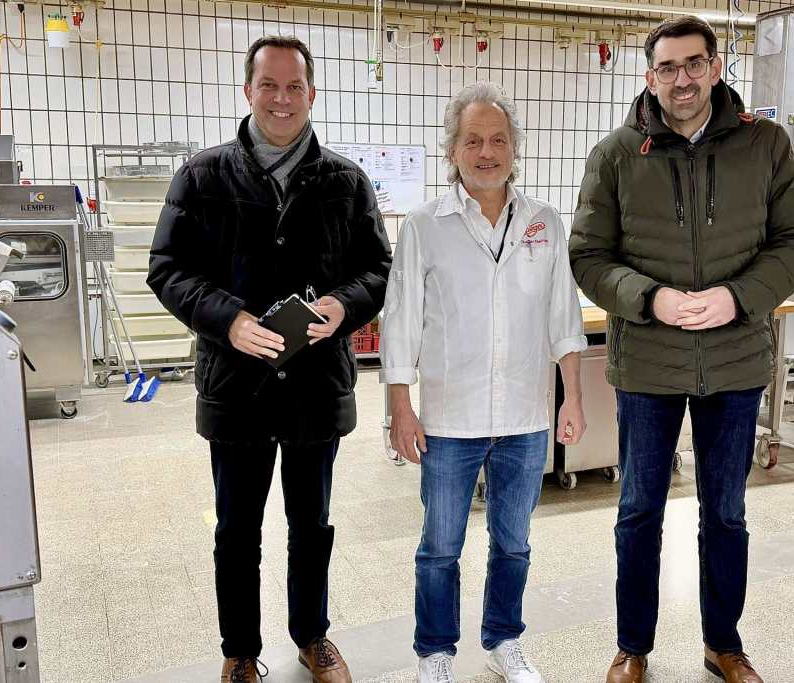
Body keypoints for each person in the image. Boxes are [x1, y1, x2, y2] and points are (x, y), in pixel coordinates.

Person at [569, 16, 794, 683]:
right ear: (650, 76)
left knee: (727, 513)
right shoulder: (616, 155)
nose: (681, 79)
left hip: (734, 362)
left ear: (715, 67)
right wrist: (649, 298)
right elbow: (588, 255)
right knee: (638, 511)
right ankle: (632, 646)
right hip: (647, 364)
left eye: (693, 64)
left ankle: (723, 644)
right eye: (667, 67)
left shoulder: (765, 145)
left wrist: (739, 297)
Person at [148, 34, 391, 683]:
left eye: (294, 87)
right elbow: (167, 268)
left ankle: (313, 635)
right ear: (248, 90)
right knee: (237, 529)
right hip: (237, 388)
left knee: (312, 524)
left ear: (311, 94)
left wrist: (342, 305)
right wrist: (227, 318)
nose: (282, 99)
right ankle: (240, 650)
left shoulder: (346, 181)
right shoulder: (202, 176)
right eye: (268, 85)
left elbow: (379, 268)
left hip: (316, 385)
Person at [380, 81, 588, 683]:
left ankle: (504, 640)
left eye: (498, 140)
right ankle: (435, 653)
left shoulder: (544, 223)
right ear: (453, 150)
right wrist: (400, 407)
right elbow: (401, 322)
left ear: (514, 149)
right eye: (473, 140)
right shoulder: (426, 225)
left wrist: (572, 396)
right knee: (440, 547)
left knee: (514, 543)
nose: (487, 152)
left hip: (525, 415)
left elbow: (563, 316)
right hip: (450, 417)